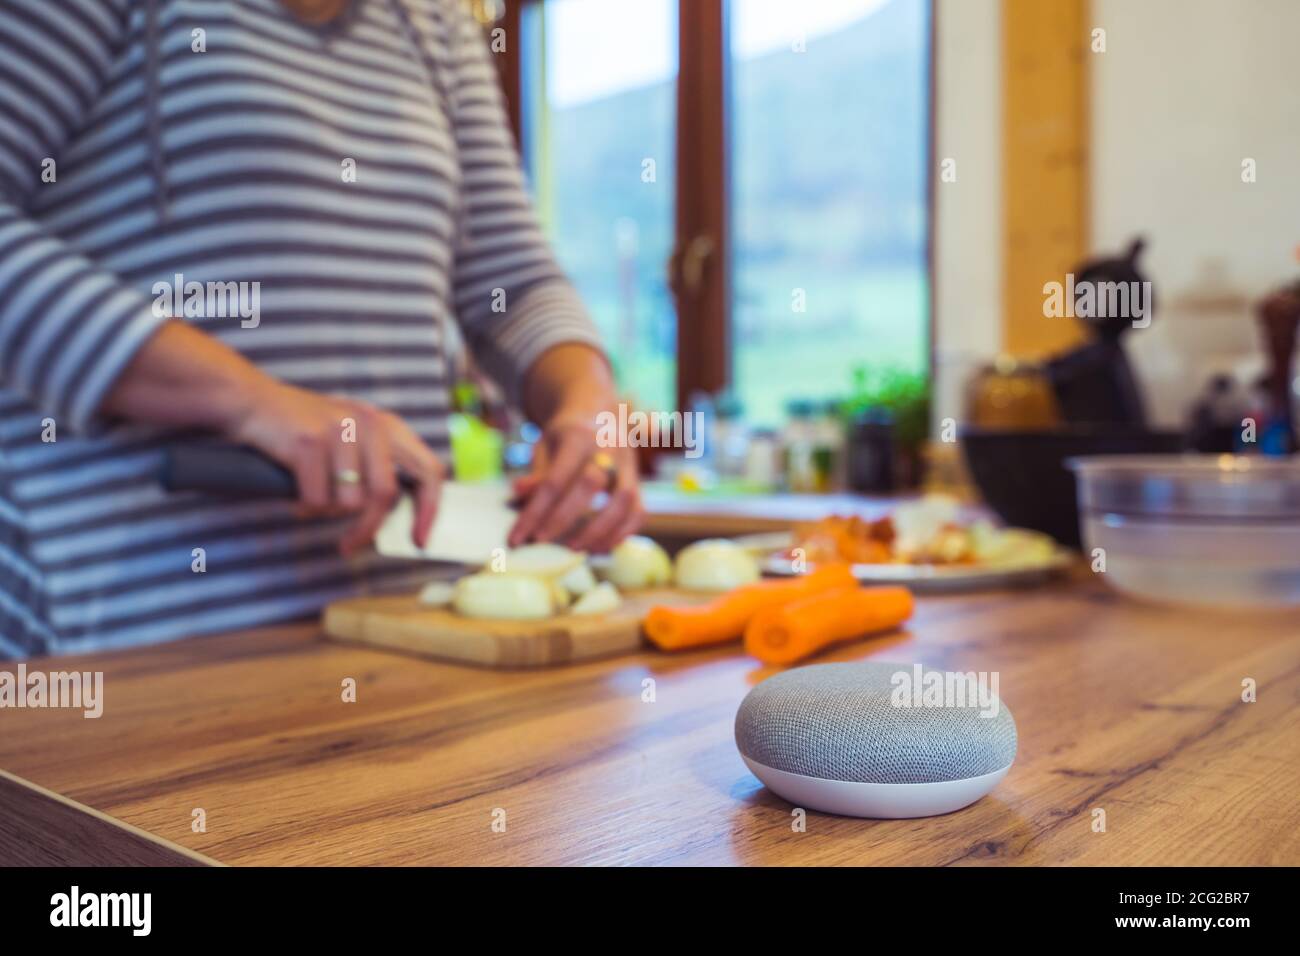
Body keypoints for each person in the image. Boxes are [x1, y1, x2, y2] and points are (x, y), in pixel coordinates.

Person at [0, 0, 642, 657]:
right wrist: (251, 402)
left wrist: (587, 398)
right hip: (120, 626)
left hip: (398, 617)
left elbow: (510, 279)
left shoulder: (439, 23)